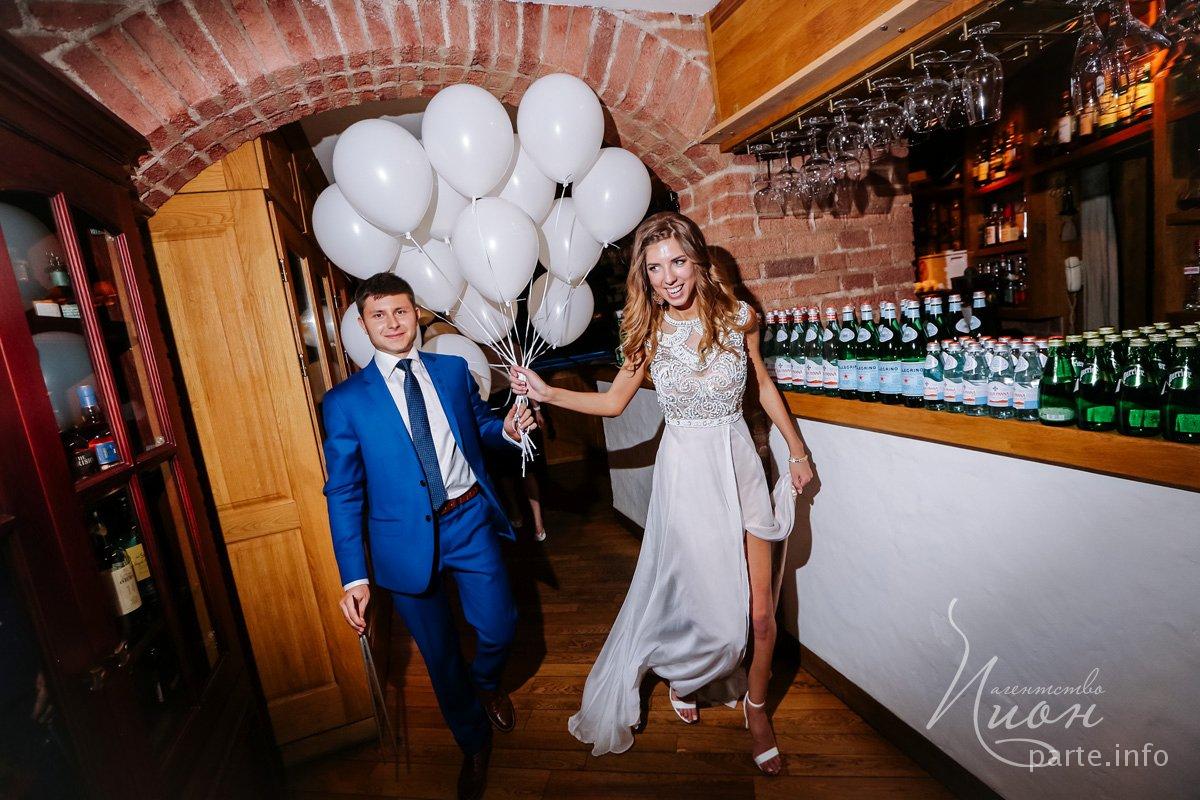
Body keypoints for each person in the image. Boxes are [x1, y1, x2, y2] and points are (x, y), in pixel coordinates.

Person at [511, 212, 813, 775]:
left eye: (677, 261)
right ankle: (684, 675)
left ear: (698, 260)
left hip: (740, 466)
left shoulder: (741, 317)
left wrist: (797, 451)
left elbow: (762, 384)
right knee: (709, 609)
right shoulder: (649, 335)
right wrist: (548, 393)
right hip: (687, 477)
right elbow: (612, 404)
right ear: (644, 277)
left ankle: (757, 711)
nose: (669, 277)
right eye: (654, 268)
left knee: (762, 615)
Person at [322, 273, 535, 800]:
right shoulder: (345, 402)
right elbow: (343, 491)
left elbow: (480, 429)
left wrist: (508, 430)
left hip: (468, 519)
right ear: (363, 324)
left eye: (400, 311)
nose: (392, 323)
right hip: (400, 544)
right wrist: (354, 577)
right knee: (439, 656)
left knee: (500, 625)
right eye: (379, 315)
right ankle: (473, 742)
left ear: (416, 313)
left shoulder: (452, 371)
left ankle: (485, 684)